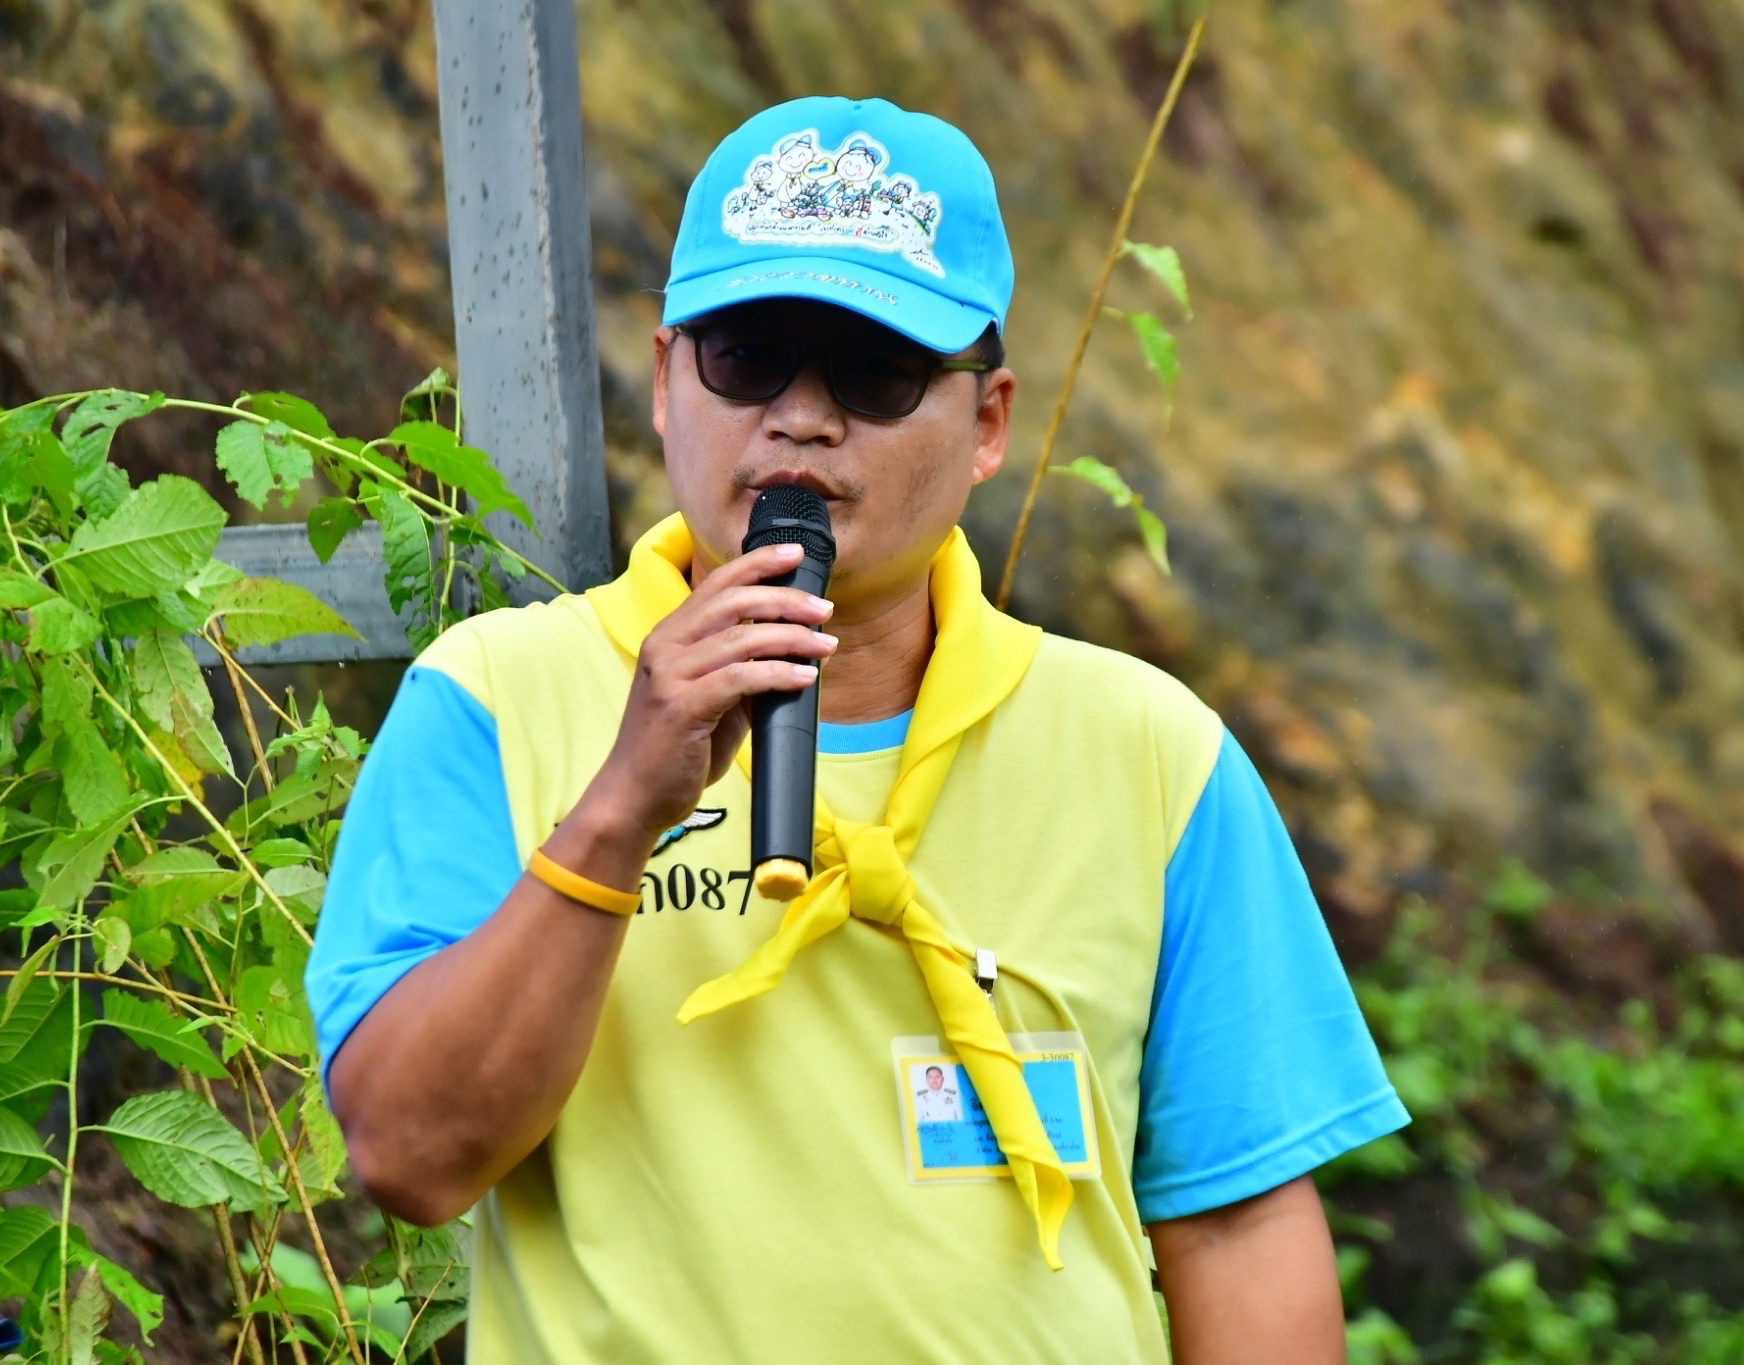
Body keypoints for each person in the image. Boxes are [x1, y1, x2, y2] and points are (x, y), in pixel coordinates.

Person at [307, 95, 1409, 1363]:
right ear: (664, 381)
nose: (801, 418)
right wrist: (616, 816)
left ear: (987, 423)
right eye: (746, 357)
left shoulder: (1154, 754)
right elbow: (410, 1157)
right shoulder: (492, 702)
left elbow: (1237, 1227)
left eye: (875, 372)